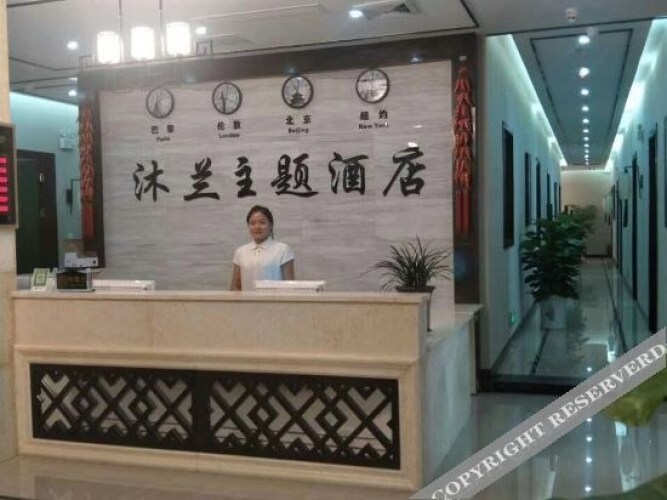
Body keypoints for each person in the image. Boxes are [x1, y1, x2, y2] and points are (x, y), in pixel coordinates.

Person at [230, 205, 295, 291]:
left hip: (274, 299)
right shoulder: (240, 252)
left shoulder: (283, 250)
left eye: (262, 223)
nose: (257, 227)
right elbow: (236, 286)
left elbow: (289, 287)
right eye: (252, 223)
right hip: (247, 300)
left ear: (271, 225)